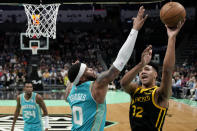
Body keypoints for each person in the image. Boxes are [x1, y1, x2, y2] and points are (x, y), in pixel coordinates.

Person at [65, 6, 148, 131]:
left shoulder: (70, 93)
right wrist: (135, 29)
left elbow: (71, 81)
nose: (91, 69)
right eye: (87, 69)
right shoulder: (96, 86)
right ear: (81, 77)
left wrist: (75, 71)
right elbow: (119, 62)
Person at [120, 19, 185, 131]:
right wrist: (141, 64)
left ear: (155, 74)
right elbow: (123, 83)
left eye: (147, 69)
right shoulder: (135, 89)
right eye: (141, 71)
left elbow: (167, 70)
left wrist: (172, 38)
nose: (143, 72)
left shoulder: (160, 93)